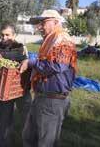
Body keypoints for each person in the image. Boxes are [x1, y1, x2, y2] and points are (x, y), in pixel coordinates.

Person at [20, 10, 77, 147]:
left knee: (46, 143)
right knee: (28, 137)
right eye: (40, 23)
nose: (40, 27)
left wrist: (32, 62)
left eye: (44, 22)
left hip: (53, 101)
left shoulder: (63, 39)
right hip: (41, 97)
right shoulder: (50, 39)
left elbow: (58, 66)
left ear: (56, 22)